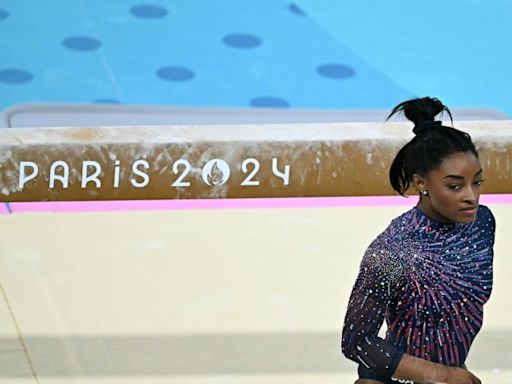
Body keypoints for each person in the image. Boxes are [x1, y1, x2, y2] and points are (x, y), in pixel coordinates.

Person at [341, 97, 495, 384]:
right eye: (454, 186)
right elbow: (357, 342)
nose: (471, 196)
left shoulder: (482, 224)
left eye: (477, 182)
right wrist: (444, 375)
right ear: (422, 183)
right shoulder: (392, 251)